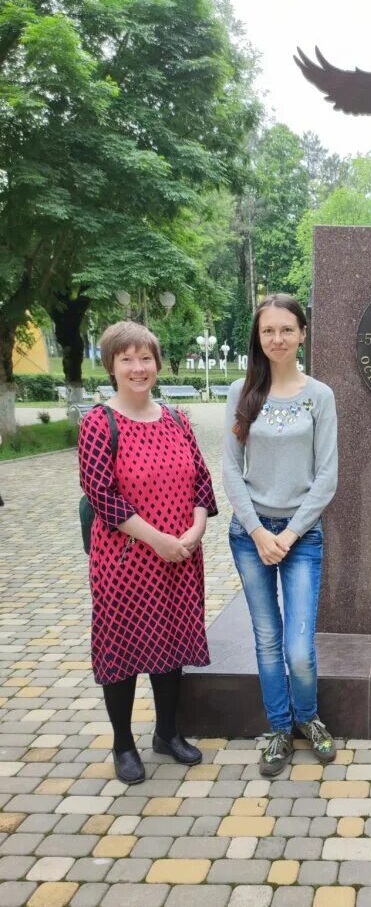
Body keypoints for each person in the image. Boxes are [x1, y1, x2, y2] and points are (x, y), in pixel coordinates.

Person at [78, 322, 217, 784]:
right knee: (122, 646)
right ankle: (122, 743)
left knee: (170, 640)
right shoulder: (101, 423)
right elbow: (102, 495)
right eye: (127, 359)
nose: (138, 368)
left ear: (157, 363)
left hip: (180, 554)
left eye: (145, 358)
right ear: (112, 366)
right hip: (126, 560)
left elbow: (201, 478)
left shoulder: (176, 419)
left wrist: (196, 528)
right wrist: (157, 539)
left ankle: (167, 733)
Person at [223, 294, 338, 778]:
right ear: (259, 336)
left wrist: (288, 535)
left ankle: (308, 718)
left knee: (298, 646)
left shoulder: (320, 396)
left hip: (301, 536)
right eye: (268, 331)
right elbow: (230, 469)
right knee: (267, 639)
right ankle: (278, 729)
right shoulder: (241, 391)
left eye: (286, 329)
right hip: (250, 534)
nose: (277, 339)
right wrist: (256, 530)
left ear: (302, 333)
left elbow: (327, 475)